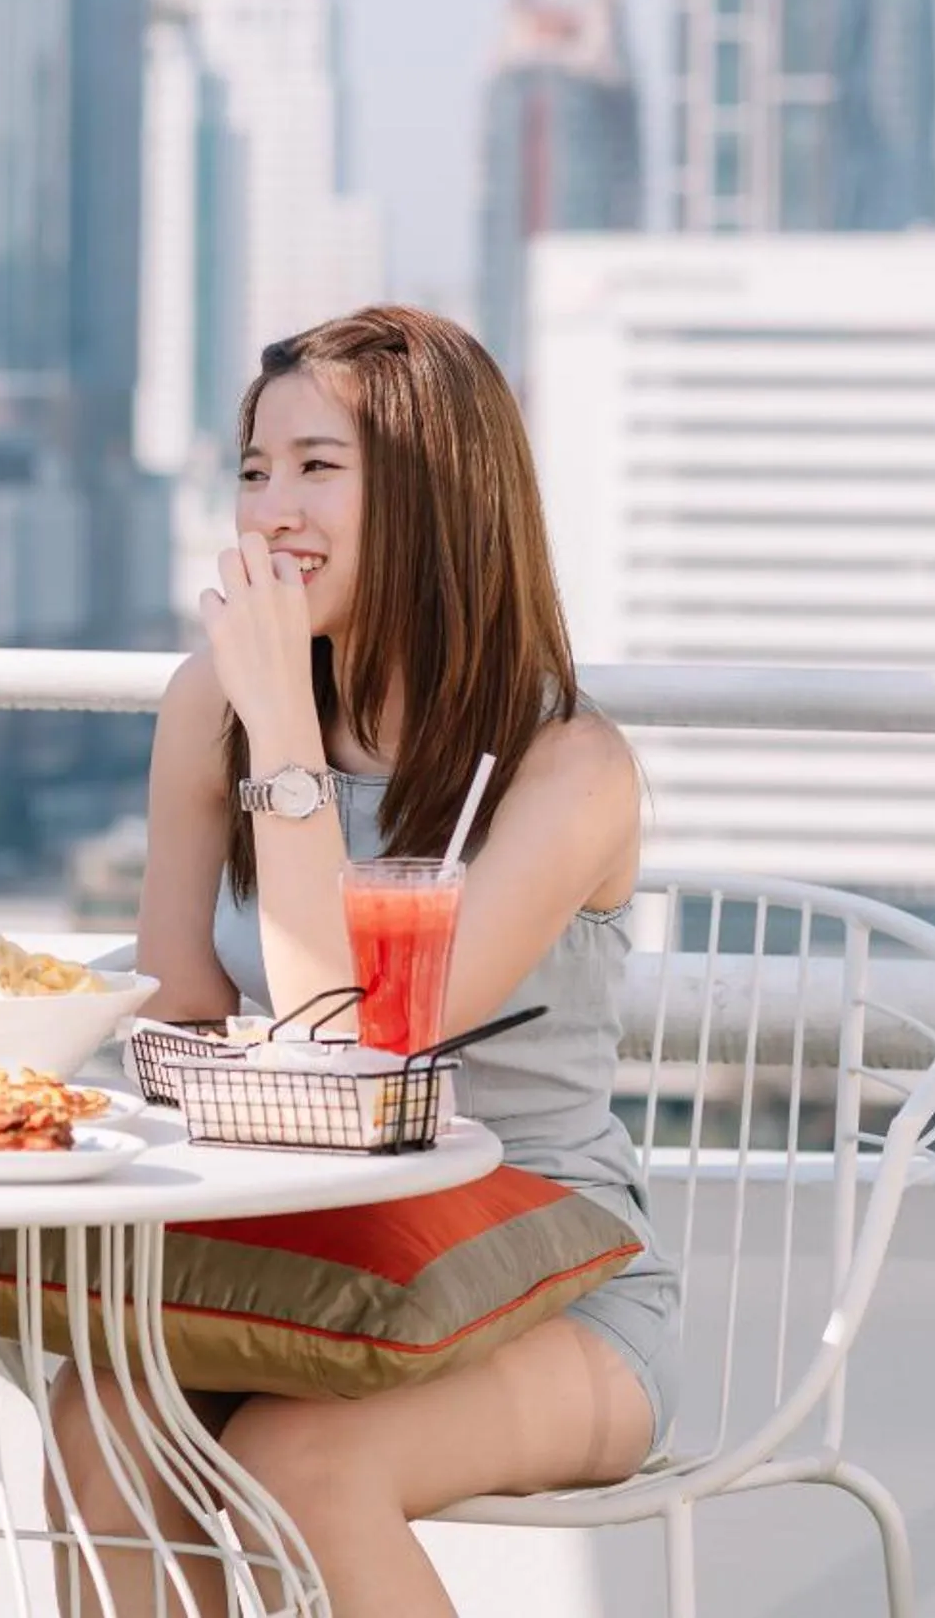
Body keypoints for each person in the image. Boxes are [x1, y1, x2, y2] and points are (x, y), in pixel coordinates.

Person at [52, 305, 679, 1616]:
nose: (272, 509)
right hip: (313, 1257)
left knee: (298, 1458)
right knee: (101, 1418)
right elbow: (174, 1013)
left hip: (548, 1278)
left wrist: (283, 733)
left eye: (317, 467)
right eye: (253, 468)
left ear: (437, 496)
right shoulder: (206, 705)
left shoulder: (570, 771)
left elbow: (371, 1046)